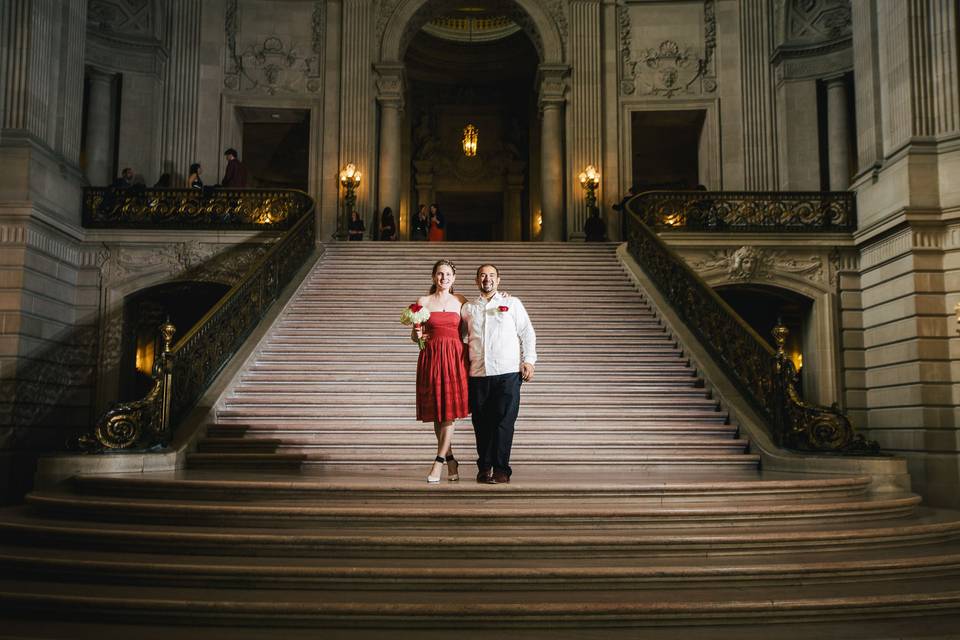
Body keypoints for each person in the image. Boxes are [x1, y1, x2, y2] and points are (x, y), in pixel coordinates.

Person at [461, 264, 537, 484]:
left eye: (492, 275)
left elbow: (527, 333)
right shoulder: (468, 308)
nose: (487, 279)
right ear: (477, 281)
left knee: (504, 422)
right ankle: (484, 468)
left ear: (499, 280)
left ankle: (502, 469)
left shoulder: (511, 303)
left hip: (508, 373)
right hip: (478, 374)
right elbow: (458, 336)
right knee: (481, 422)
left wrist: (529, 360)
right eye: (483, 275)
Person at [412, 260, 470, 483]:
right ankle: (452, 459)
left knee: (449, 412)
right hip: (431, 357)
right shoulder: (423, 302)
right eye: (439, 274)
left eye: (448, 274)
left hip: (455, 358)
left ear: (453, 278)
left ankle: (438, 462)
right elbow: (415, 336)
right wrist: (418, 337)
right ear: (433, 277)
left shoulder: (460, 301)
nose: (444, 278)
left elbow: (466, 331)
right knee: (438, 411)